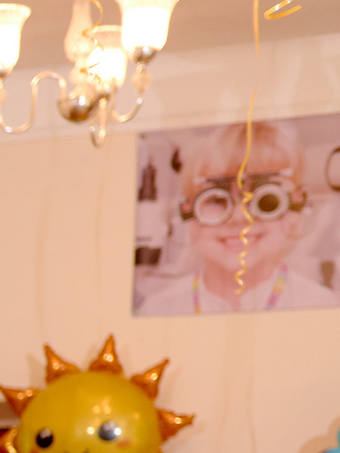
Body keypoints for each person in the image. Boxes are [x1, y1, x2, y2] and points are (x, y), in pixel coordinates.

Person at [135, 121, 340, 316]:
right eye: (216, 200)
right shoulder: (160, 309)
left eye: (265, 200)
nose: (240, 217)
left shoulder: (319, 306)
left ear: (294, 210)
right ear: (189, 213)